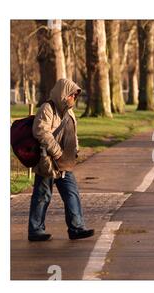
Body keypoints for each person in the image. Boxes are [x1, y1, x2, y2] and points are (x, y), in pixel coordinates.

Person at [28, 79, 95, 242]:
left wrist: (75, 151)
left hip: (65, 162)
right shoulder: (47, 109)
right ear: (64, 94)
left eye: (75, 95)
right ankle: (35, 230)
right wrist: (57, 153)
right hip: (47, 160)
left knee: (72, 193)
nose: (74, 97)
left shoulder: (69, 111)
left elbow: (73, 134)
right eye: (72, 94)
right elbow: (41, 132)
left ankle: (76, 228)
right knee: (43, 195)